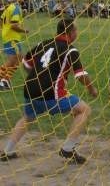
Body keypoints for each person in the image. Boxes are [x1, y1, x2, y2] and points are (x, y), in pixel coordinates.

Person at [0, 18, 98, 164]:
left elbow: (26, 63)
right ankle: (68, 148)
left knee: (28, 117)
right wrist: (92, 89)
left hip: (30, 90)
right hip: (51, 94)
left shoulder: (42, 44)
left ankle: (7, 151)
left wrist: (39, 74)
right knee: (84, 110)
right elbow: (80, 75)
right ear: (71, 33)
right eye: (76, 30)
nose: (77, 32)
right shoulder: (71, 50)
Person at [0, 0, 29, 90]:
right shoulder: (16, 8)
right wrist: (24, 30)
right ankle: (2, 79)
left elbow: (1, 19)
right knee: (12, 59)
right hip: (11, 37)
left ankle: (6, 80)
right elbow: (13, 25)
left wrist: (3, 30)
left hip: (10, 37)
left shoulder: (10, 7)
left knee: (19, 58)